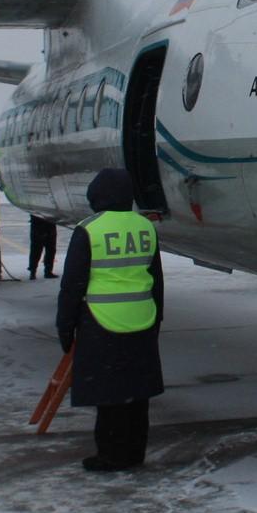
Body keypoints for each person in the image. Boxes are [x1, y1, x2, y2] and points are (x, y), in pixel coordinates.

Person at [56, 168, 164, 472]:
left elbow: (73, 284)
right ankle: (134, 452)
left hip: (102, 321)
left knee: (109, 395)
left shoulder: (89, 229)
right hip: (142, 319)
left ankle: (110, 454)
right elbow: (156, 279)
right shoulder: (145, 227)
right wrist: (157, 320)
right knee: (136, 394)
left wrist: (65, 326)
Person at [28, 215, 58, 280]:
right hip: (47, 224)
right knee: (49, 249)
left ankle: (33, 271)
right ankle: (47, 271)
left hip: (39, 224)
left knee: (37, 250)